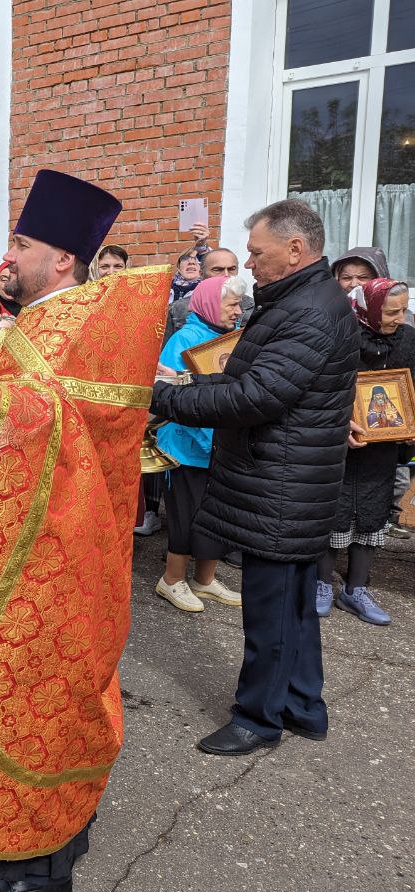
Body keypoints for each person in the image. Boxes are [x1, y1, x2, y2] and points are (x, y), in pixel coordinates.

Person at [0, 169, 173, 892]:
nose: (8, 256)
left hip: (53, 554)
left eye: (21, 244)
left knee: (26, 695)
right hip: (35, 545)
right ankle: (59, 835)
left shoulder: (79, 323)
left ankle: (36, 871)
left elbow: (55, 420)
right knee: (38, 693)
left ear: (61, 259)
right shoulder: (44, 319)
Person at [153, 198, 359, 756]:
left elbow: (255, 396)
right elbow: (254, 380)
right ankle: (303, 705)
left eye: (256, 253)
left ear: (295, 250)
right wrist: (187, 386)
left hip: (281, 485)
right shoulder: (303, 300)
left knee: (271, 611)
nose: (248, 265)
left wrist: (165, 398)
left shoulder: (309, 311)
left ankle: (258, 718)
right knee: (294, 606)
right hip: (290, 480)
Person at [318, 278, 415, 626]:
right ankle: (321, 583)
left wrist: (410, 423)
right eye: (391, 312)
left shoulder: (409, 339)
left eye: (403, 310)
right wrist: (341, 422)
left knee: (373, 513)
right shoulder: (340, 336)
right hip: (340, 444)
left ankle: (356, 589)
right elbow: (323, 387)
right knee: (333, 510)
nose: (399, 319)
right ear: (369, 309)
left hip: (384, 448)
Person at [154, 275, 246, 613]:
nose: (238, 311)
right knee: (185, 515)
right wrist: (208, 437)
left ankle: (204, 580)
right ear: (209, 304)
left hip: (220, 446)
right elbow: (169, 393)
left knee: (216, 515)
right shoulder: (185, 338)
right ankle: (172, 580)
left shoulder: (232, 338)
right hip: (186, 446)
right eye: (232, 304)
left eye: (239, 304)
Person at [163, 246, 251, 341]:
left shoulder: (252, 306)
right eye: (217, 270)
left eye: (231, 269)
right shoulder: (177, 309)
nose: (226, 275)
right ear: (201, 274)